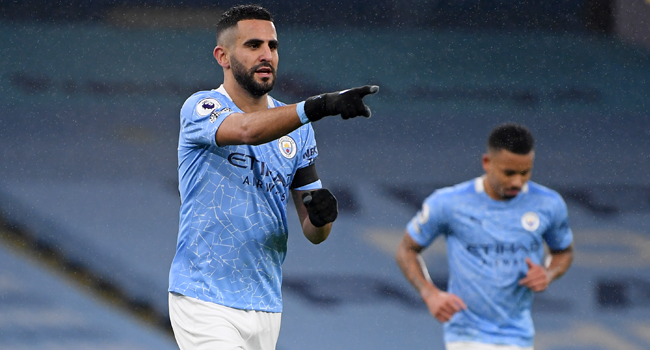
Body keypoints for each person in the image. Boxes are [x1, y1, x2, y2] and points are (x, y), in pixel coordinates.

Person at [167, 4, 378, 350]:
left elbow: (313, 231)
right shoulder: (201, 107)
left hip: (265, 303)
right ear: (223, 56)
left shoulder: (297, 130)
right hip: (204, 296)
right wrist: (319, 105)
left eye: (272, 46)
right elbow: (248, 130)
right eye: (253, 46)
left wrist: (322, 217)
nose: (266, 55)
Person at [395, 123, 574, 350]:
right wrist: (429, 293)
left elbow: (564, 251)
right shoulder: (448, 203)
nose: (517, 182)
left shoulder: (549, 203)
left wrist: (548, 273)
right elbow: (406, 249)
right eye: (509, 173)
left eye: (525, 172)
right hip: (466, 335)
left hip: (518, 336)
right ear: (487, 163)